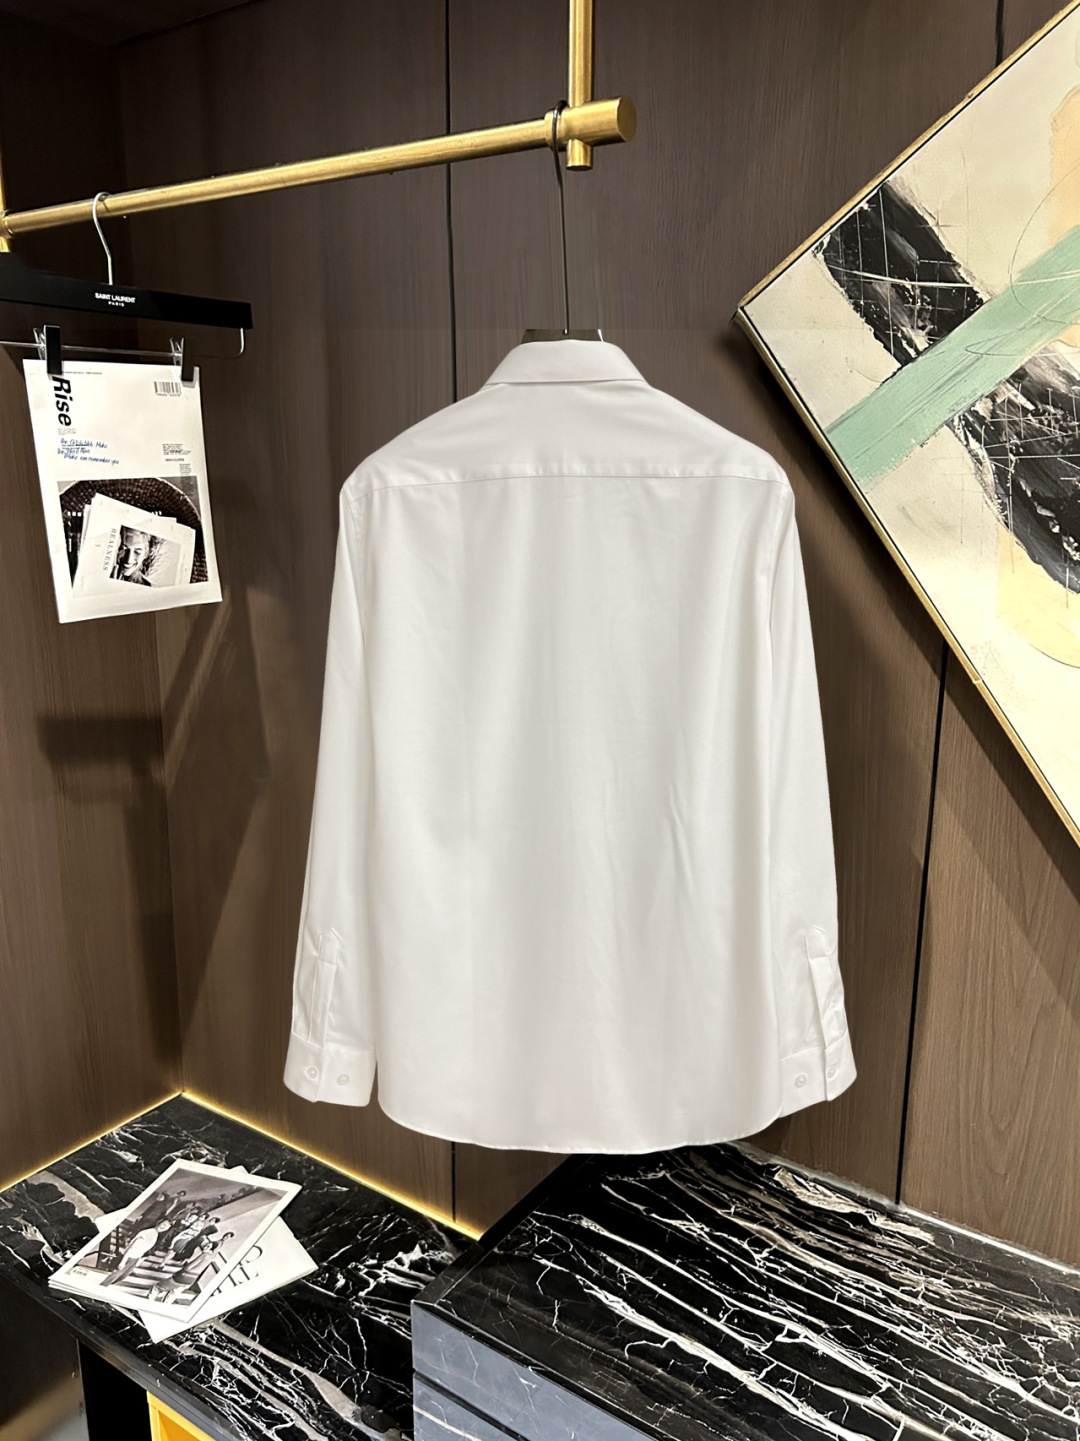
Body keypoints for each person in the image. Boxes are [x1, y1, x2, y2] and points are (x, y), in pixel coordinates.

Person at [100, 1218, 172, 1289]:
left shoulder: (155, 1234)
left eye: (167, 1227)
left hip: (135, 1258)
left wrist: (138, 1260)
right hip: (128, 1257)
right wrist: (123, 1261)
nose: (164, 1227)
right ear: (159, 1222)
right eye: (163, 1224)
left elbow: (143, 1249)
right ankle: (100, 1288)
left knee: (122, 1276)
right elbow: (131, 1247)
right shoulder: (148, 1233)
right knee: (113, 1277)